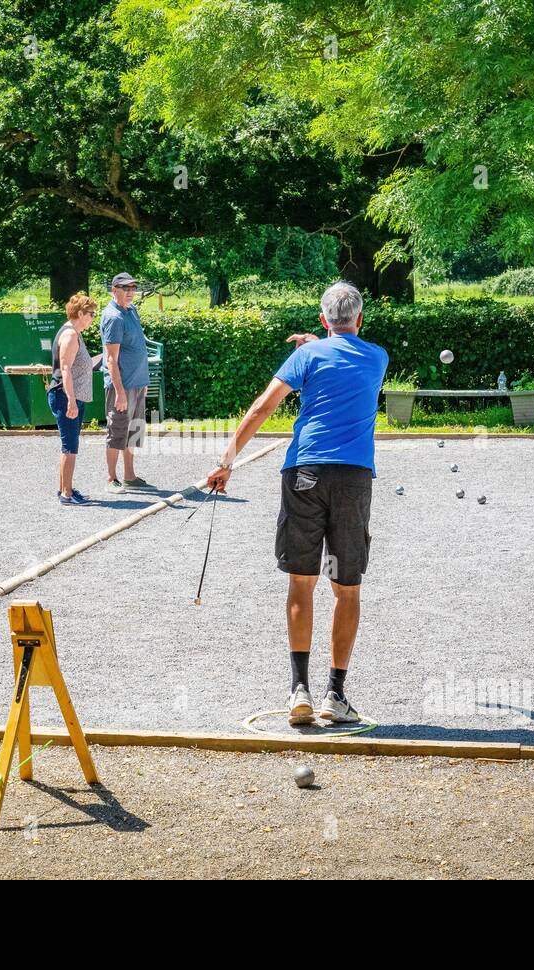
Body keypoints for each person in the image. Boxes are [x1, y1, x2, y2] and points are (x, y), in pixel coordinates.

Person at [205, 281, 388, 726]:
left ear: (323, 320)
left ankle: (298, 691)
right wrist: (321, 342)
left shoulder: (306, 357)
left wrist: (226, 462)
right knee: (346, 589)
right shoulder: (378, 357)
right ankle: (335, 693)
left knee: (301, 584)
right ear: (360, 319)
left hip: (304, 472)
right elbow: (343, 353)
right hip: (352, 477)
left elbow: (260, 409)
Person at [48, 293, 102, 505]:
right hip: (65, 395)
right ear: (80, 313)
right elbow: (65, 369)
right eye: (91, 314)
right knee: (70, 446)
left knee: (69, 445)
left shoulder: (74, 333)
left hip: (71, 396)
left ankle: (65, 488)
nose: (92, 318)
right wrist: (71, 400)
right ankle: (66, 494)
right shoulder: (70, 335)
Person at [101, 272, 151, 494]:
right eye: (125, 288)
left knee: (134, 430)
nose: (130, 291)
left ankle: (129, 475)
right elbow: (111, 359)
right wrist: (120, 392)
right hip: (122, 386)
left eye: (133, 287)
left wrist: (143, 381)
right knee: (117, 430)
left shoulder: (131, 310)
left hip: (137, 382)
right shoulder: (113, 317)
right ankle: (112, 478)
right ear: (114, 290)